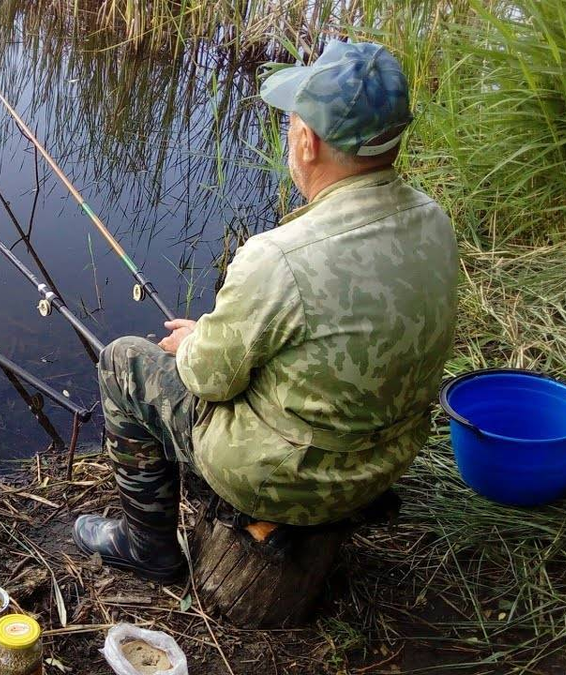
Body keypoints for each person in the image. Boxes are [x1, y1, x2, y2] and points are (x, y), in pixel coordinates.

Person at [72, 41, 459, 582]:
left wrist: (194, 344)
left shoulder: (278, 256)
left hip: (289, 482)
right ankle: (339, 506)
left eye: (293, 122)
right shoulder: (436, 222)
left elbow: (208, 380)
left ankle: (147, 546)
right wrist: (210, 334)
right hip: (385, 465)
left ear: (307, 141)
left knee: (121, 362)